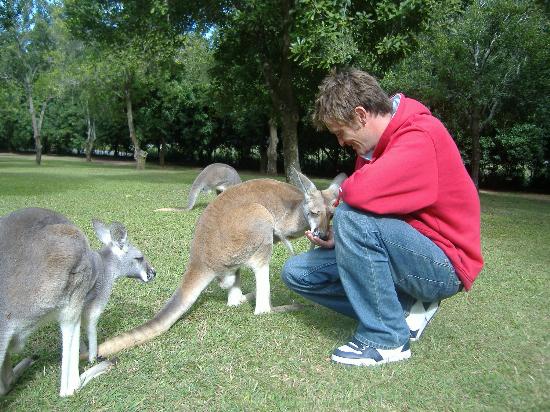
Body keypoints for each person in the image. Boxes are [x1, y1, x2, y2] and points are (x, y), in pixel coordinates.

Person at [281, 68, 483, 367]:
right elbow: (376, 209)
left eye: (340, 132)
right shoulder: (371, 148)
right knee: (298, 273)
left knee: (350, 214)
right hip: (404, 251)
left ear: (361, 115)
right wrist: (342, 240)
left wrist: (344, 205)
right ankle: (402, 311)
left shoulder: (420, 134)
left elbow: (359, 196)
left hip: (444, 264)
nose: (340, 142)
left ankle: (387, 338)